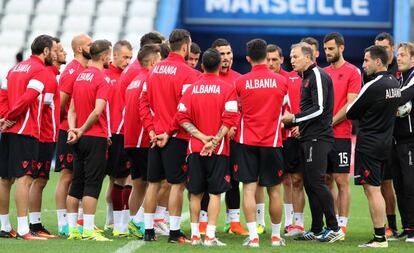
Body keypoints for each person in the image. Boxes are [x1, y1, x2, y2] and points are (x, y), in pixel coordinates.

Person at [140, 28, 198, 243]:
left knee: (153, 183)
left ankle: (148, 230)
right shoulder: (190, 73)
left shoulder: (154, 70)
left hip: (156, 135)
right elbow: (184, 109)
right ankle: (174, 232)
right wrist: (168, 132)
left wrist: (152, 130)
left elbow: (143, 104)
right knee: (177, 184)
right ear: (185, 47)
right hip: (177, 136)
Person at [177, 48, 239, 246]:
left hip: (195, 147)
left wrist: (202, 138)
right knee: (214, 193)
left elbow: (181, 117)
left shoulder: (190, 89)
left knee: (195, 193)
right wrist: (213, 141)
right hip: (219, 149)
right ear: (219, 66)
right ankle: (210, 236)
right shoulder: (227, 88)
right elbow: (230, 119)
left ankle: (195, 235)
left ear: (202, 65)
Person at [282, 42, 344, 242]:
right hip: (309, 136)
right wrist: (301, 127)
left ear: (308, 58)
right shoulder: (306, 77)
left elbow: (319, 108)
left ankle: (334, 228)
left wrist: (295, 119)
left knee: (317, 182)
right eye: (291, 57)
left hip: (319, 137)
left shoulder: (316, 75)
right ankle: (317, 229)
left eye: (295, 56)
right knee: (310, 183)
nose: (292, 60)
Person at [233, 38, 288, 247]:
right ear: (267, 56)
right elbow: (287, 113)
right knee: (274, 191)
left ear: (248, 58)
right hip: (273, 142)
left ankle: (254, 237)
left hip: (246, 141)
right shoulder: (281, 82)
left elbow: (234, 111)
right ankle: (275, 237)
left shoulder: (240, 82)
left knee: (248, 189)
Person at [0, 34, 55, 240]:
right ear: (46, 51)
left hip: (9, 131)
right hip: (26, 130)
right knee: (24, 180)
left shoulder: (15, 69)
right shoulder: (39, 70)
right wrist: (11, 116)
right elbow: (29, 97)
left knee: (5, 179)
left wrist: (4, 117)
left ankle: (5, 226)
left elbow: (2, 95)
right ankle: (24, 230)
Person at [346, 45, 401, 248]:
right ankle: (383, 232)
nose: (363, 64)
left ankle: (380, 237)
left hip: (369, 143)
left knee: (373, 190)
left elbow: (351, 111)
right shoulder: (394, 83)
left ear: (378, 62)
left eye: (366, 60)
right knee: (378, 188)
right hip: (385, 142)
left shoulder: (374, 85)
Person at [66, 39, 113, 241]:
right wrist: (83, 130)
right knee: (92, 183)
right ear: (103, 57)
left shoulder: (79, 77)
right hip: (94, 137)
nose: (110, 58)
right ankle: (88, 230)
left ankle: (73, 229)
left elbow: (72, 110)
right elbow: (97, 111)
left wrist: (73, 130)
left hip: (78, 137)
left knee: (77, 182)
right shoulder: (102, 79)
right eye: (109, 55)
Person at [323, 32, 361, 239]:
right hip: (323, 136)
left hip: (341, 134)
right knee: (326, 179)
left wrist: (329, 123)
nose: (328, 52)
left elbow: (351, 104)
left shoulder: (353, 72)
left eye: (331, 48)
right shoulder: (322, 72)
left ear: (341, 48)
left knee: (341, 179)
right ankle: (332, 224)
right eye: (325, 49)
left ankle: (343, 226)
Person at [55, 33, 92, 235]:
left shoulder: (85, 69)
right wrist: (67, 124)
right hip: (68, 130)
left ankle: (75, 219)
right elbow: (62, 102)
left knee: (78, 175)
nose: (92, 47)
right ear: (79, 49)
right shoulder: (72, 70)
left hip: (80, 129)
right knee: (67, 175)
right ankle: (63, 223)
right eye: (89, 44)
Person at [211, 38, 248, 236]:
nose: (226, 58)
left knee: (235, 180)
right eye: (221, 54)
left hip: (235, 140)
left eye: (228, 53)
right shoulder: (207, 78)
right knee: (210, 181)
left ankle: (233, 222)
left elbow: (244, 108)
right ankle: (203, 222)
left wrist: (234, 126)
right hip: (212, 139)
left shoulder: (239, 79)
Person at [28, 37, 64, 238]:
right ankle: (33, 225)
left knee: (40, 180)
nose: (62, 53)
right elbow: (42, 109)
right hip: (43, 135)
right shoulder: (47, 75)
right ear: (49, 52)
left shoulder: (52, 75)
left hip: (47, 134)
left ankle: (35, 223)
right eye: (59, 50)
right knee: (37, 180)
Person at [125, 44, 162, 238]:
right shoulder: (149, 79)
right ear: (154, 62)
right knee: (157, 183)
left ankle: (134, 223)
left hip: (131, 139)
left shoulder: (134, 79)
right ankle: (138, 220)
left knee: (138, 185)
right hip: (143, 139)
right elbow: (149, 109)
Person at [104, 40, 134, 238]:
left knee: (120, 178)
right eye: (124, 57)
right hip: (111, 134)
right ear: (113, 56)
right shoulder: (104, 76)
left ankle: (113, 220)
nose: (128, 61)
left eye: (130, 57)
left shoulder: (130, 75)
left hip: (125, 133)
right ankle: (114, 220)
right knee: (114, 179)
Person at [266, 43, 297, 235]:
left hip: (287, 136)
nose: (270, 63)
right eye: (268, 59)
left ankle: (291, 221)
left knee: (291, 180)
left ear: (282, 60)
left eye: (274, 60)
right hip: (268, 139)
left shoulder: (291, 80)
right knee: (266, 182)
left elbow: (294, 109)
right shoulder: (263, 80)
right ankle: (261, 221)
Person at [373, 32, 399, 239]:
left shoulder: (400, 70)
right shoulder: (372, 70)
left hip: (401, 134)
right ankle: (390, 226)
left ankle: (403, 225)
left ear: (392, 48)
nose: (381, 49)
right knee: (384, 182)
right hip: (383, 135)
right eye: (377, 46)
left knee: (401, 183)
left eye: (384, 47)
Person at [391, 42, 414, 242]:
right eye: (398, 55)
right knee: (399, 185)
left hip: (410, 140)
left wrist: (386, 99)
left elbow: (403, 97)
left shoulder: (412, 78)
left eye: (403, 55)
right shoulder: (400, 78)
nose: (399, 58)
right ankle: (407, 228)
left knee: (410, 184)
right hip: (397, 140)